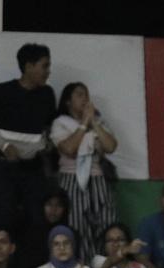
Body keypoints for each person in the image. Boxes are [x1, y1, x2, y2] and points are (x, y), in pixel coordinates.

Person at [0, 43, 57, 256]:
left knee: (37, 223)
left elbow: (49, 129)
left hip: (35, 171)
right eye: (44, 66)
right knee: (5, 223)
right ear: (28, 66)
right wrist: (4, 146)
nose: (48, 72)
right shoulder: (1, 92)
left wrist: (45, 147)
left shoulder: (47, 94)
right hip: (4, 170)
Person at [49, 83, 118, 258]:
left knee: (106, 225)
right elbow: (69, 149)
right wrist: (83, 125)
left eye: (86, 95)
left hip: (98, 180)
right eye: (79, 95)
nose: (85, 99)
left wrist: (93, 122)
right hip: (72, 180)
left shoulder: (98, 122)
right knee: (78, 227)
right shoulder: (60, 123)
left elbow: (110, 146)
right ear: (67, 102)